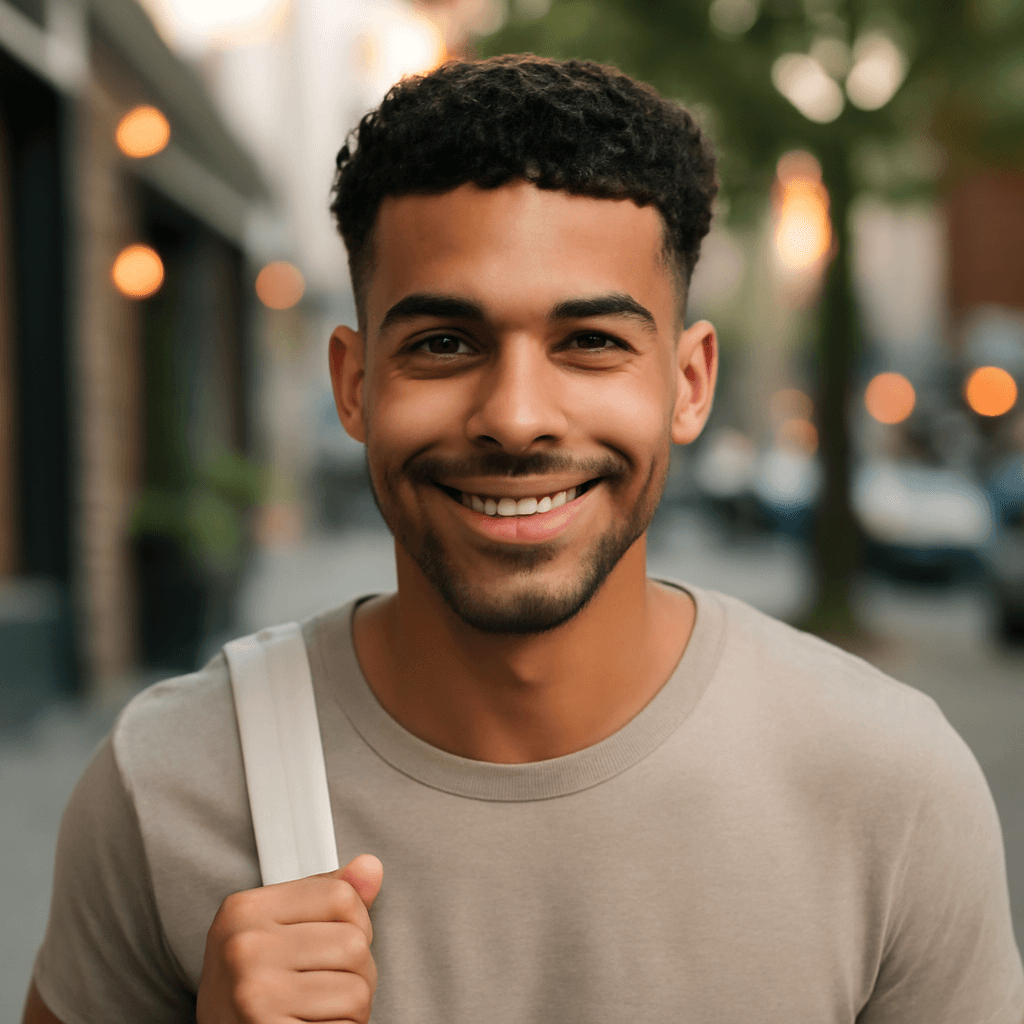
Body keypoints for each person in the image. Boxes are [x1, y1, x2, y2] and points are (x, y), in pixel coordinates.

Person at [23, 55, 1024, 1024]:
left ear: (687, 383)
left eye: (589, 342)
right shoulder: (168, 785)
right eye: (443, 343)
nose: (514, 416)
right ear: (354, 383)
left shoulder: (893, 790)